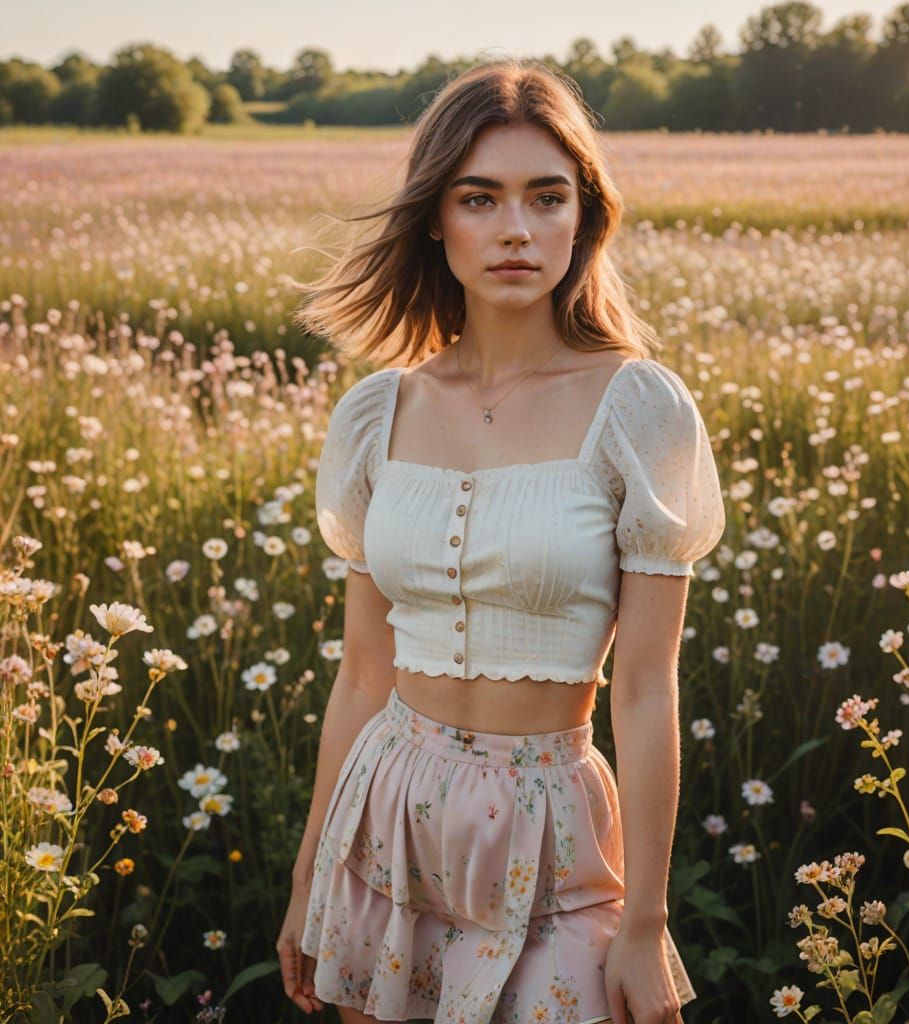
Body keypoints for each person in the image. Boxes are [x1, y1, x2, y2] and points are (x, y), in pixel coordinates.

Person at [276, 58, 727, 1024]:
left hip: (551, 825)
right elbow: (362, 674)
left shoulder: (637, 409)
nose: (516, 228)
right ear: (436, 218)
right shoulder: (376, 413)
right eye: (480, 198)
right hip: (386, 810)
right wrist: (312, 870)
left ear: (584, 217)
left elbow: (646, 689)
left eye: (546, 197)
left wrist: (645, 922)